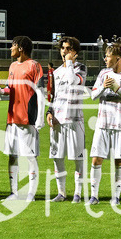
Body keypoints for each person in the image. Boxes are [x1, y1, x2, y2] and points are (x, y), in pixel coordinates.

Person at [88, 41, 121, 205]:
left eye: (108, 56)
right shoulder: (103, 73)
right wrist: (103, 87)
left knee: (119, 161)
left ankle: (116, 197)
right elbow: (93, 96)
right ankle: (94, 196)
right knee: (96, 159)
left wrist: (117, 88)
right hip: (102, 123)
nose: (105, 59)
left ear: (117, 59)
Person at [47, 36, 88, 202]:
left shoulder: (81, 69)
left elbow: (73, 81)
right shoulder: (56, 72)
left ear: (75, 53)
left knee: (77, 158)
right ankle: (61, 193)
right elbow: (52, 95)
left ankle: (78, 193)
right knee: (57, 158)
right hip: (57, 120)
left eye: (68, 49)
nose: (64, 51)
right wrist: (49, 112)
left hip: (74, 119)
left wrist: (70, 63)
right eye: (63, 48)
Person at [3, 35, 43, 201]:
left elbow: (40, 92)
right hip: (11, 118)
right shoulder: (12, 65)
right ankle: (14, 192)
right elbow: (9, 89)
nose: (10, 48)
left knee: (29, 156)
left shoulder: (34, 66)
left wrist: (40, 118)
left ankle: (31, 194)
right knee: (12, 155)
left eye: (12, 45)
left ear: (20, 48)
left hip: (27, 118)